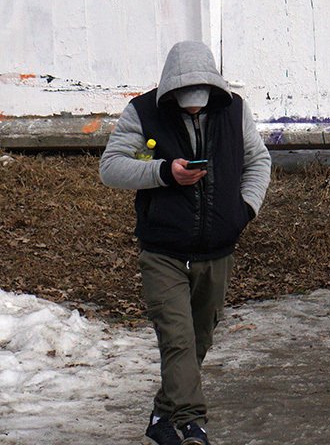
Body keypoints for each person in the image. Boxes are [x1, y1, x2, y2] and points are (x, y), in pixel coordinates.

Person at [99, 41, 271, 445]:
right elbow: (111, 167)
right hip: (163, 250)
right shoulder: (143, 112)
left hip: (217, 250)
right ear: (170, 91)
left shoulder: (235, 110)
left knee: (197, 342)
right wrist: (164, 172)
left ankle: (161, 418)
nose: (193, 107)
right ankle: (193, 426)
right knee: (177, 339)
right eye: (184, 101)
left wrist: (243, 210)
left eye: (200, 100)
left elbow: (259, 160)